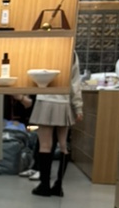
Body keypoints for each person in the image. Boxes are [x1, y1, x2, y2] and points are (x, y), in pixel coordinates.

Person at [28, 54, 84, 197]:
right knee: (64, 145)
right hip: (64, 102)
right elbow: (75, 82)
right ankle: (58, 186)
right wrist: (78, 107)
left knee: (45, 145)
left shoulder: (46, 50)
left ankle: (44, 185)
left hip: (45, 99)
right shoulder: (71, 53)